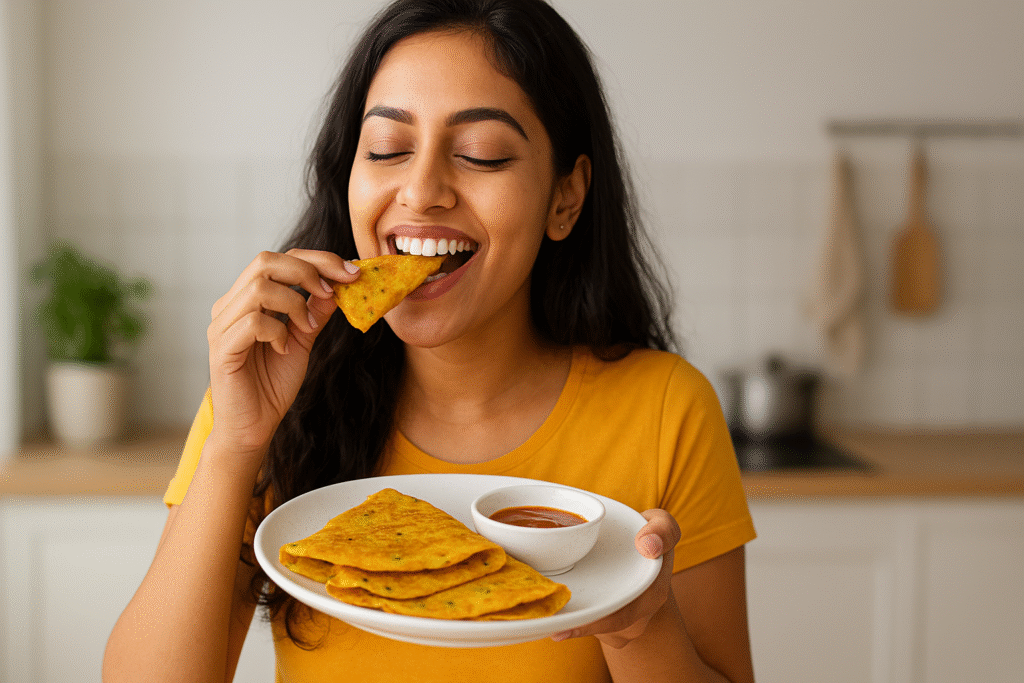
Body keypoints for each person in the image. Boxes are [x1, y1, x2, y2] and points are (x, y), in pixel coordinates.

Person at [103, 0, 757, 681]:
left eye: (480, 154)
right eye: (387, 149)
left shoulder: (666, 410)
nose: (420, 191)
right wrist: (235, 447)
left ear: (565, 198)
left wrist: (641, 624)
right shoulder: (271, 394)